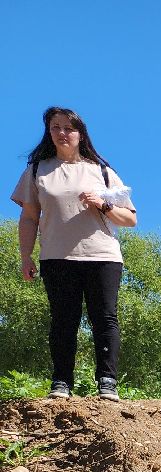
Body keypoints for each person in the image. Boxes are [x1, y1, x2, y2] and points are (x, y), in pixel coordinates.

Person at [11, 106, 138, 401]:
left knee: (104, 318)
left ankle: (107, 382)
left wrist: (102, 204)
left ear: (80, 134)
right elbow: (29, 217)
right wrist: (25, 256)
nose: (62, 133)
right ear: (49, 132)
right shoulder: (37, 170)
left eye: (68, 128)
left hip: (102, 255)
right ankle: (61, 382)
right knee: (63, 319)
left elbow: (131, 219)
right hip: (56, 256)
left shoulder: (102, 171)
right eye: (55, 127)